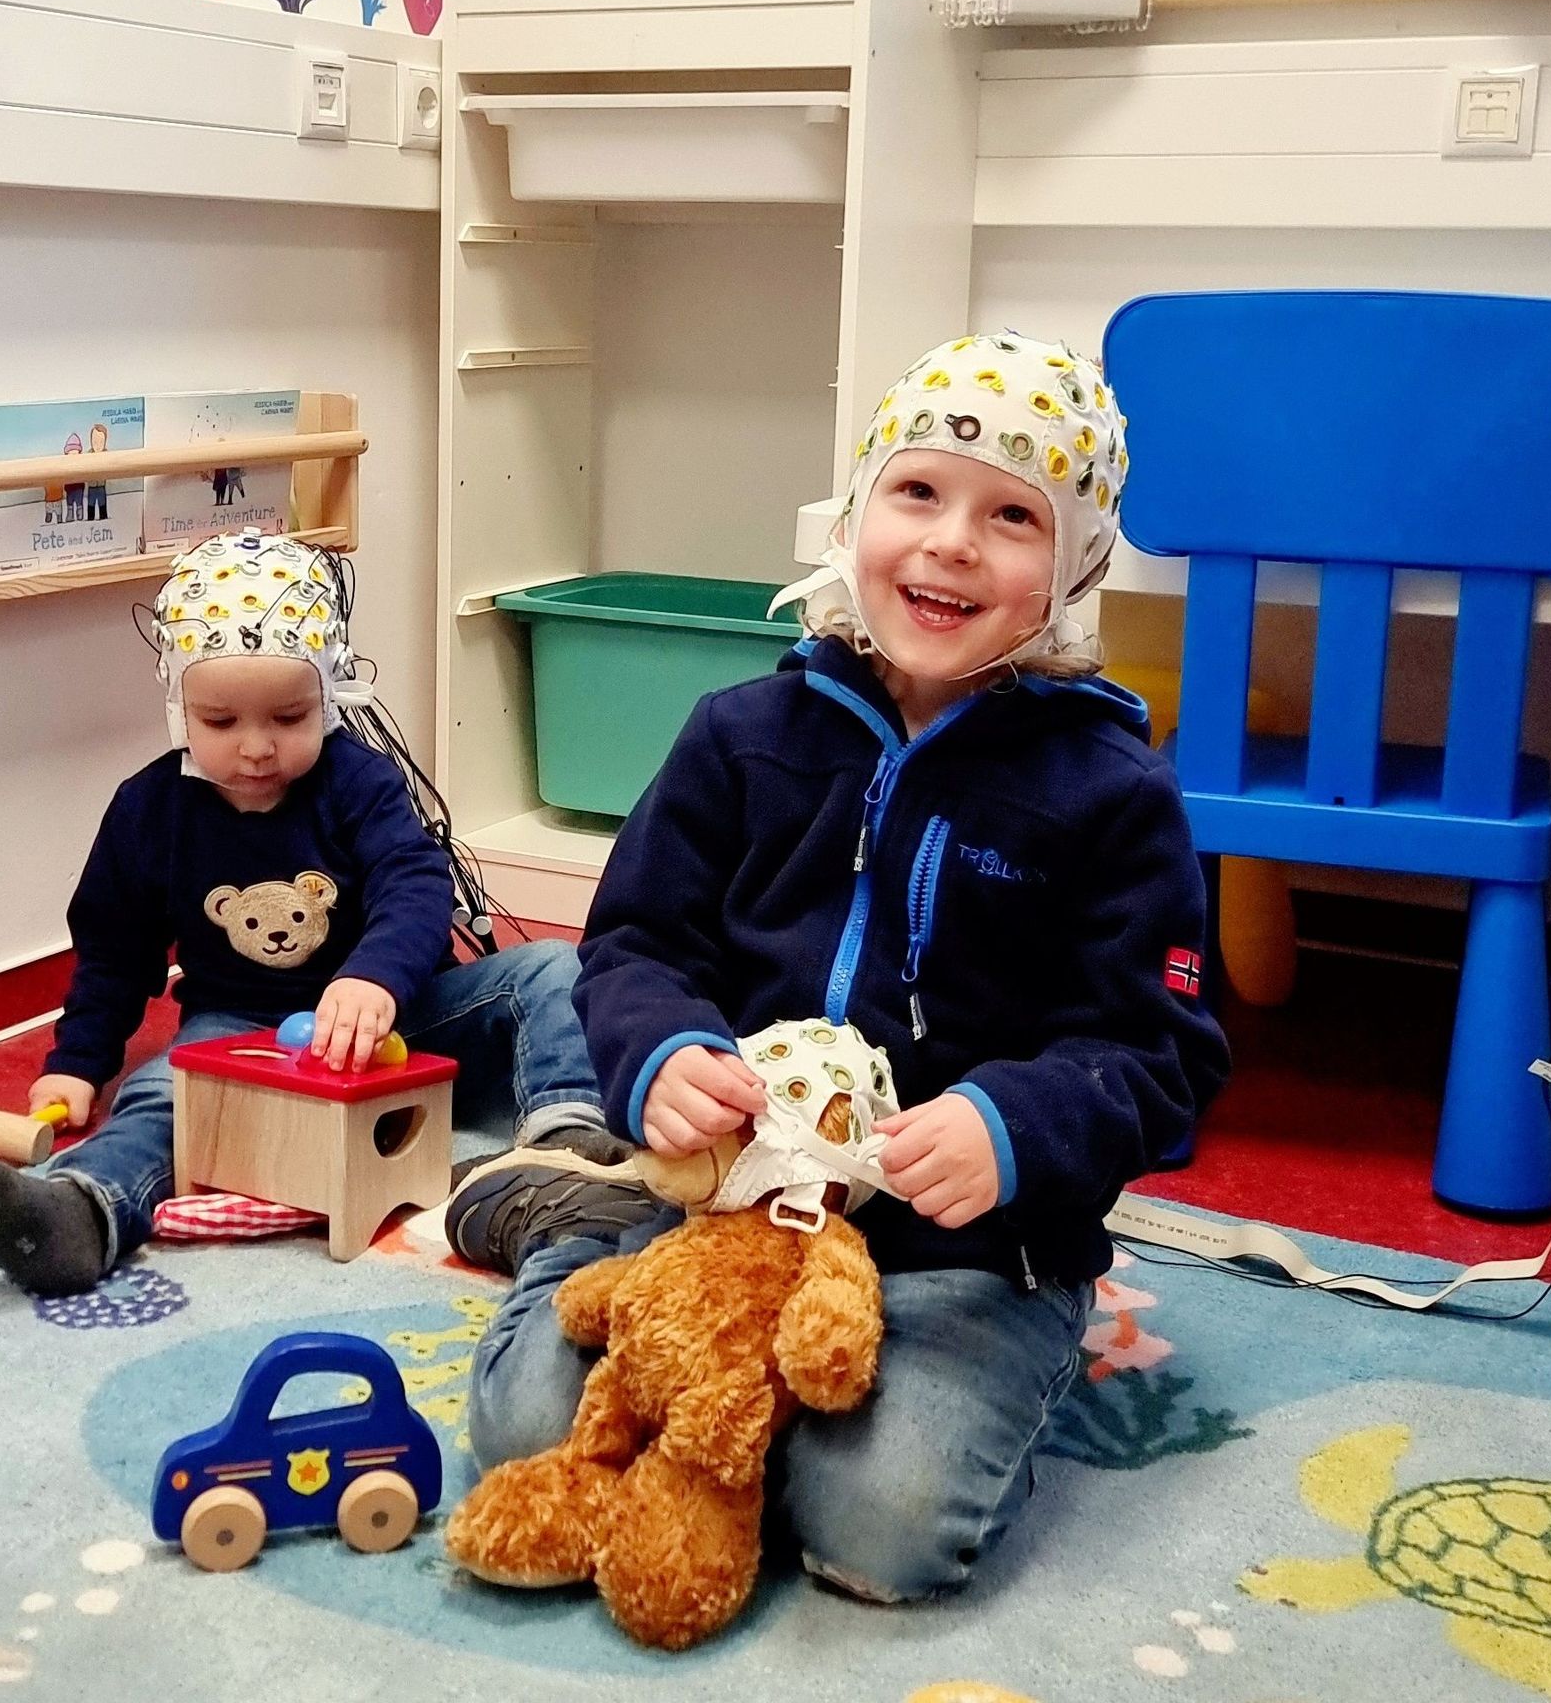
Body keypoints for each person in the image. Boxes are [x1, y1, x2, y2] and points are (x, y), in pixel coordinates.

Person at [445, 334, 1230, 1605]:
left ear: (1072, 568)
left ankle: (892, 1397)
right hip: (719, 1202)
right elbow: (637, 940)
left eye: (1013, 515)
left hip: (967, 1256)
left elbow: (1165, 1053)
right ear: (856, 510)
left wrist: (1012, 1126)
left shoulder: (1113, 794)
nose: (952, 541)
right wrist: (658, 1054)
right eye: (916, 491)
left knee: (882, 1526)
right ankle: (575, 1206)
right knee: (531, 1433)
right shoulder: (742, 734)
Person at [0, 528, 633, 1296]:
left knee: (551, 968)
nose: (258, 748)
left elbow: (413, 881)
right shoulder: (149, 808)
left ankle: (568, 1146)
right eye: (222, 723)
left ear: (329, 698)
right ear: (178, 706)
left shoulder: (356, 780)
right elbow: (114, 949)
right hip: (244, 1030)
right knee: (164, 1092)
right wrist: (75, 1064)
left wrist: (373, 978)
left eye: (289, 718)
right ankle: (84, 1207)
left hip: (399, 1025)